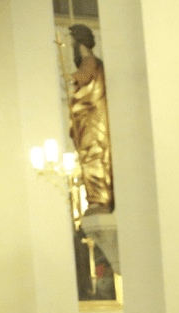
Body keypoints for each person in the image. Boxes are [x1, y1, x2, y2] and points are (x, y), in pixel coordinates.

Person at [67, 24, 113, 213]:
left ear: (79, 43)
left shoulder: (90, 61)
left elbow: (83, 75)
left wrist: (70, 77)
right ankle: (97, 197)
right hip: (90, 119)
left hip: (94, 121)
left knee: (93, 154)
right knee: (90, 155)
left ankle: (100, 197)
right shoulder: (94, 63)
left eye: (72, 44)